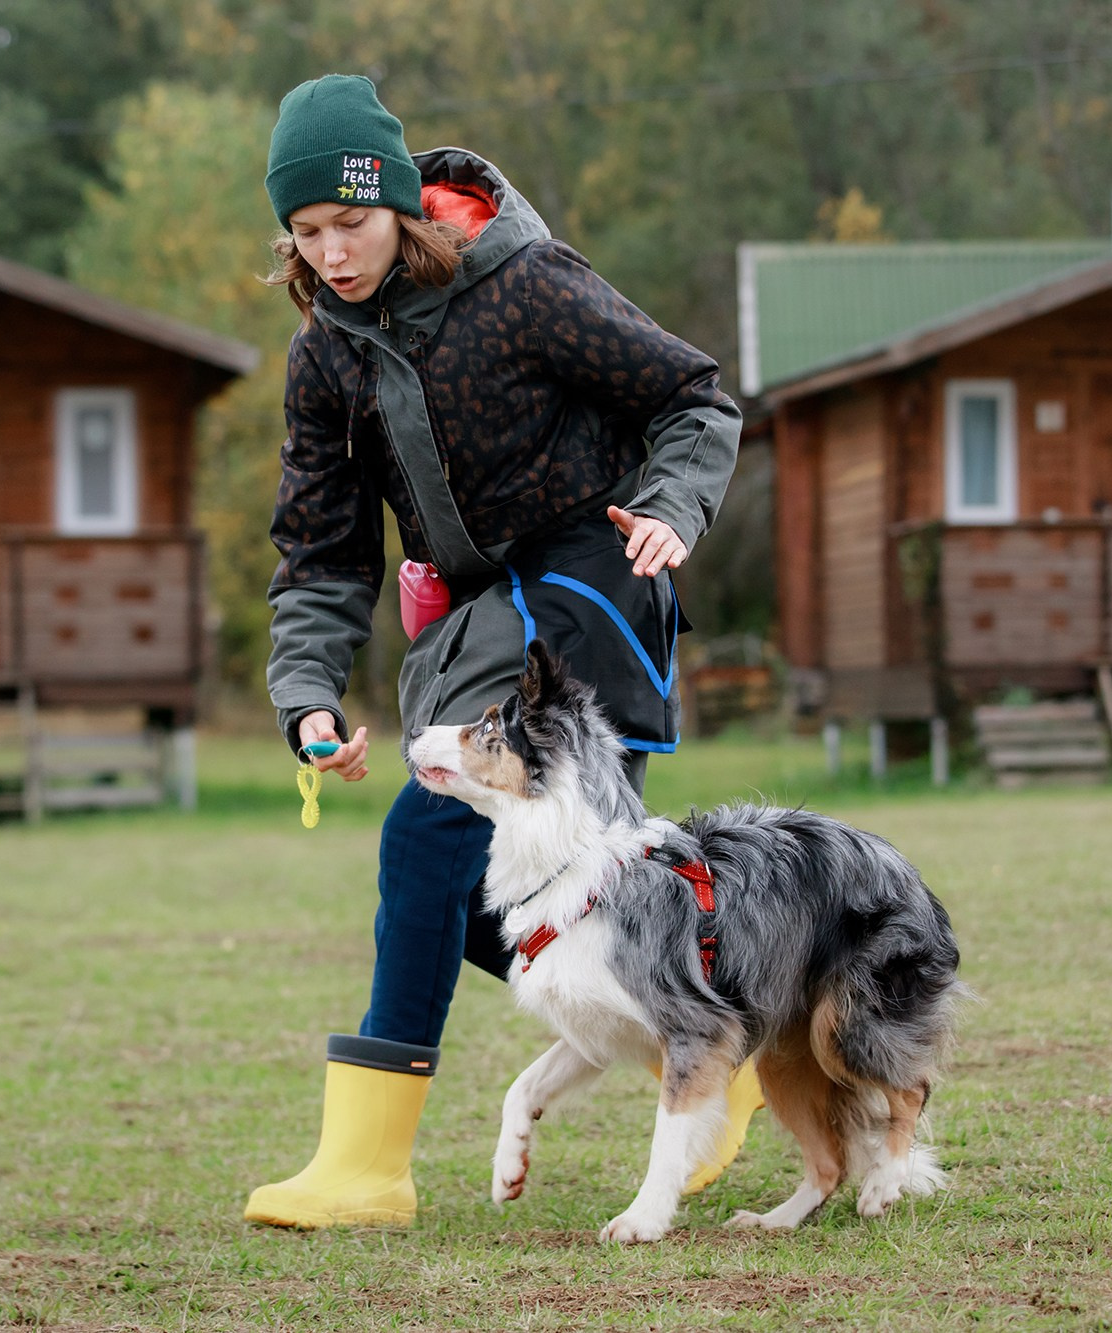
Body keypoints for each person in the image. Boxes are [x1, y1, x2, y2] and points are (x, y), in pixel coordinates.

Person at [246, 74, 758, 1230]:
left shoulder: (525, 287)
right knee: (526, 899)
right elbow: (322, 553)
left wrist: (675, 502)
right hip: (477, 613)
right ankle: (707, 1037)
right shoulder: (322, 356)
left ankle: (366, 1167)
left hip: (593, 579)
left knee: (427, 836)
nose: (330, 253)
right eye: (305, 231)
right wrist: (307, 697)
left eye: (352, 223)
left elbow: (692, 394)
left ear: (402, 207)